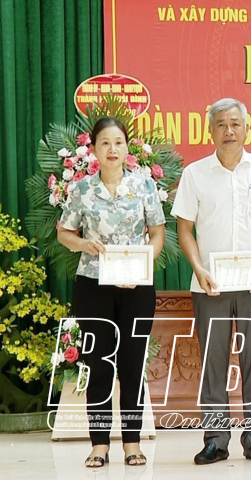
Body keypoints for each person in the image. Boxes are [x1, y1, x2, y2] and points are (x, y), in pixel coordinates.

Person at [172, 98, 251, 464]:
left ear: (247, 127)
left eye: (235, 123)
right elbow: (184, 229)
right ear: (210, 130)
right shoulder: (195, 174)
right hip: (211, 285)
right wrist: (198, 269)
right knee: (214, 360)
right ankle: (215, 439)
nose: (228, 130)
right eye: (221, 124)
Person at [58, 116, 166, 467]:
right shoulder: (82, 190)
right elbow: (64, 233)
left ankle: (132, 443)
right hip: (93, 285)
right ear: (94, 149)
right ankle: (99, 444)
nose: (112, 149)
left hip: (137, 286)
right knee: (99, 364)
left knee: (132, 363)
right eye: (105, 143)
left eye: (118, 142)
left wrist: (141, 265)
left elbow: (158, 234)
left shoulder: (144, 185)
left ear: (127, 148)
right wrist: (84, 245)